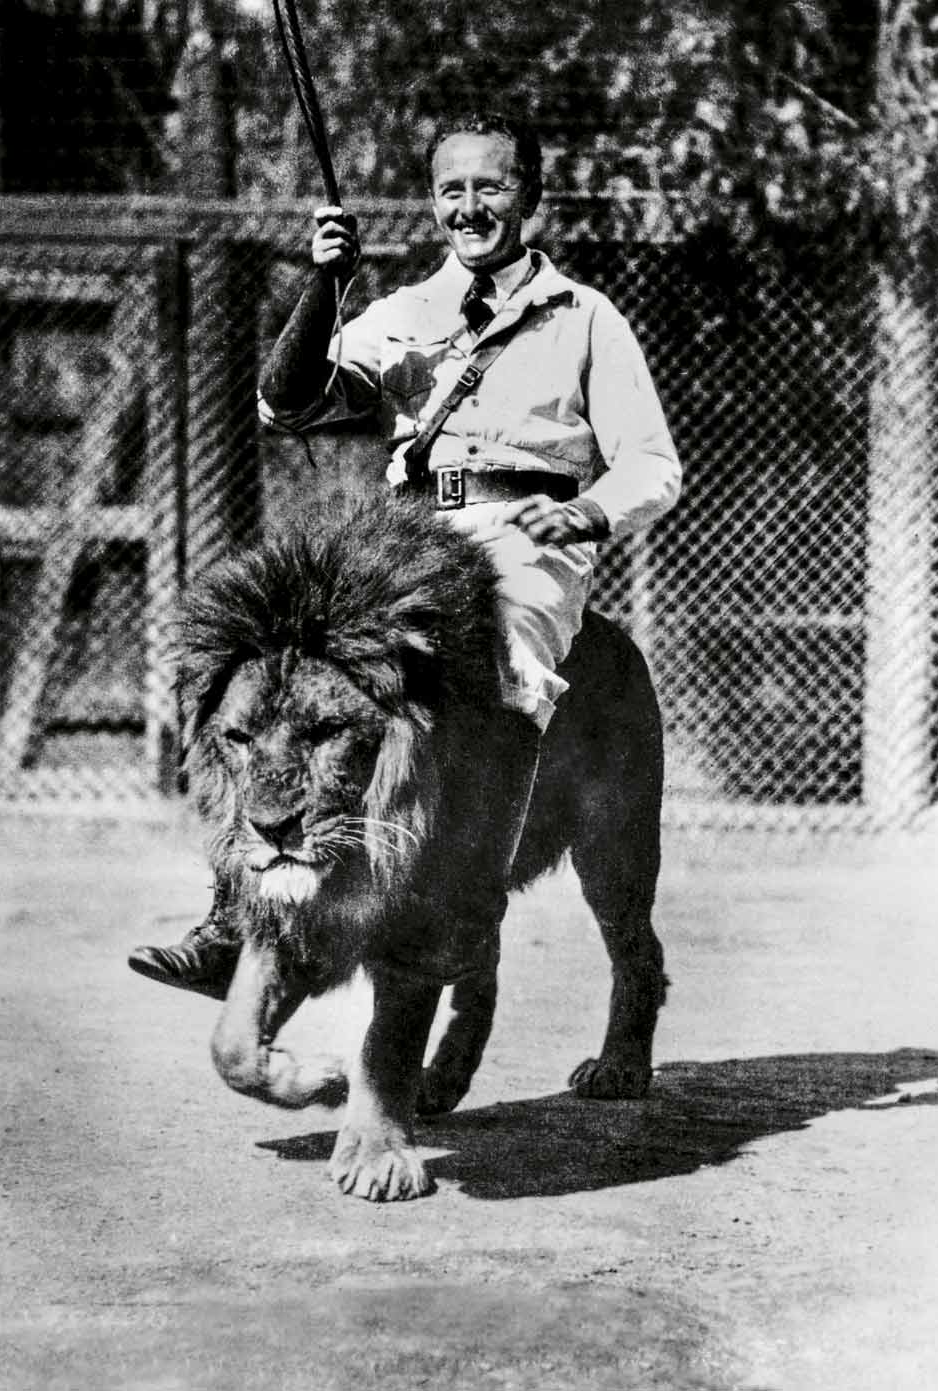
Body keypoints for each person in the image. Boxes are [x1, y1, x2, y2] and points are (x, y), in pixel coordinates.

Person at [128, 109, 681, 997]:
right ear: (432, 203)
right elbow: (287, 403)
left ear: (530, 195)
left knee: (511, 656)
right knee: (274, 660)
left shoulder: (585, 319)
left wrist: (585, 513)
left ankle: (468, 896)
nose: (470, 208)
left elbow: (653, 464)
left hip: (521, 540)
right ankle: (234, 914)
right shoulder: (405, 314)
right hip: (407, 535)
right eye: (451, 190)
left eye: (491, 186)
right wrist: (325, 285)